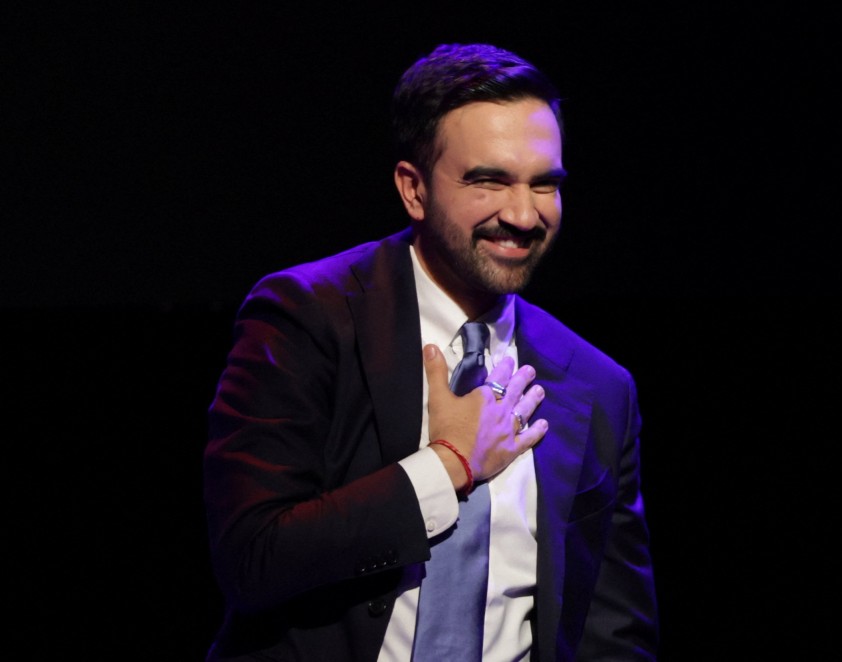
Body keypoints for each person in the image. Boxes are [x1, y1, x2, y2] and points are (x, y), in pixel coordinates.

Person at [203, 42, 659, 661]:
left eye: (544, 185)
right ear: (413, 190)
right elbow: (251, 559)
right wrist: (447, 466)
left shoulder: (599, 385)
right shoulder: (307, 318)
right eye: (489, 181)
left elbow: (613, 634)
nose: (523, 215)